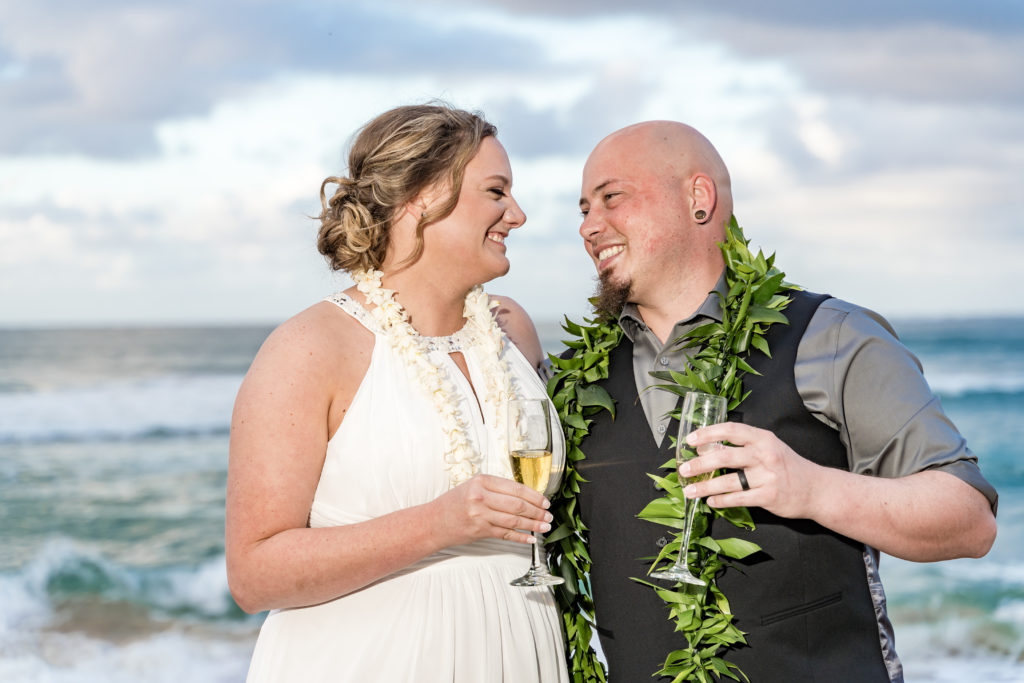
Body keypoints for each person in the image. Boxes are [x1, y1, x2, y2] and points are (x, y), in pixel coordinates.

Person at [567, 121, 998, 682]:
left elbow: (969, 520)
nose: (589, 227)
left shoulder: (835, 337)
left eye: (611, 198)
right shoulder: (579, 384)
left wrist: (813, 488)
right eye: (583, 209)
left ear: (698, 199)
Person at [226, 103, 569, 682]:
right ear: (423, 197)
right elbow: (254, 575)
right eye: (496, 192)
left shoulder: (514, 329)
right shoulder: (311, 347)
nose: (519, 215)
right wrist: (439, 523)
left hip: (517, 651)